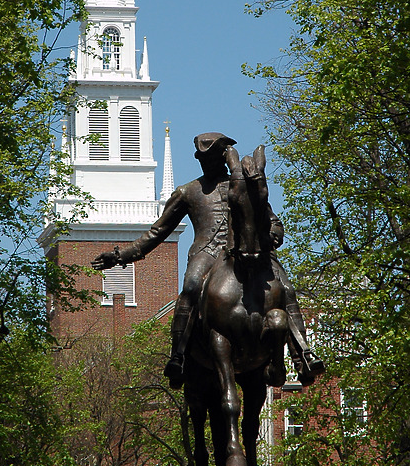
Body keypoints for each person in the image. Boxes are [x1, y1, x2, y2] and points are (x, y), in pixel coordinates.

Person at [92, 132, 323, 388]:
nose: (206, 163)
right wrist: (119, 256)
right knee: (191, 287)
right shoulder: (187, 192)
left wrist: (272, 235)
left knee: (286, 288)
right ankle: (178, 355)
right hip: (207, 254)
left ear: (223, 157)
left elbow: (272, 219)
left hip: (247, 250)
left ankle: (302, 355)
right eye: (202, 158)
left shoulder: (242, 184)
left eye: (211, 157)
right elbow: (157, 232)